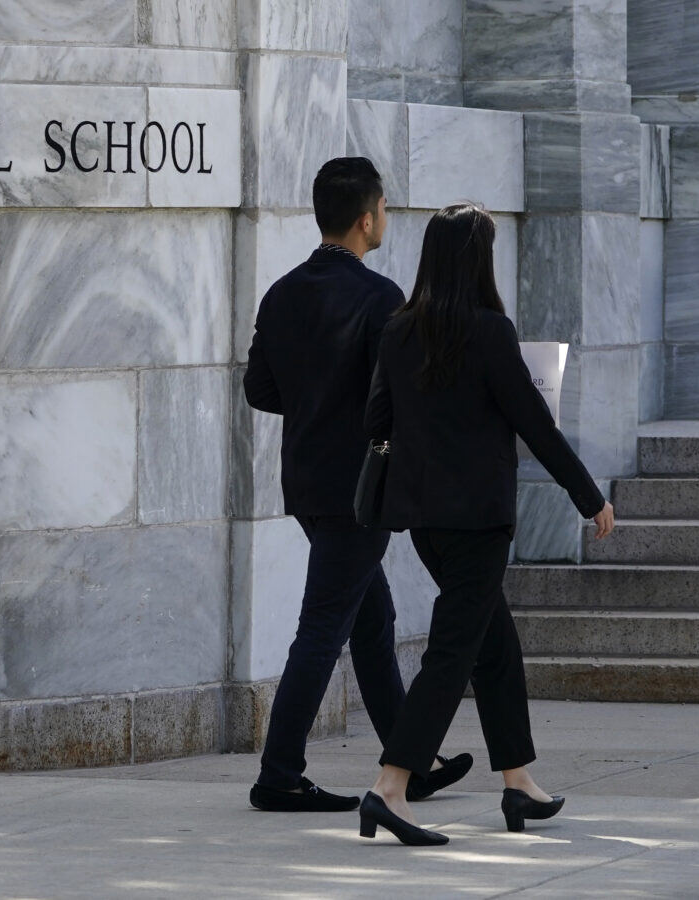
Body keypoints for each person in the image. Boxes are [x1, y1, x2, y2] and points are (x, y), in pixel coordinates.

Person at [358, 202, 616, 846]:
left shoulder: (398, 330)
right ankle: (390, 787)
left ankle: (518, 781)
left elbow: (377, 422)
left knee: (494, 646)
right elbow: (536, 426)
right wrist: (589, 497)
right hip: (478, 519)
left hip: (424, 519)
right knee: (453, 652)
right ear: (478, 259)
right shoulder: (490, 332)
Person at [243, 157, 471, 813]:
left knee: (372, 620)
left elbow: (260, 388)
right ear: (367, 219)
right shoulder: (379, 296)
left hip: (307, 482)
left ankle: (412, 761)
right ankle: (279, 774)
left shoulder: (282, 293)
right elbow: (404, 396)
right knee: (323, 628)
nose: (385, 218)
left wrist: (315, 402)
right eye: (385, 208)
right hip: (361, 489)